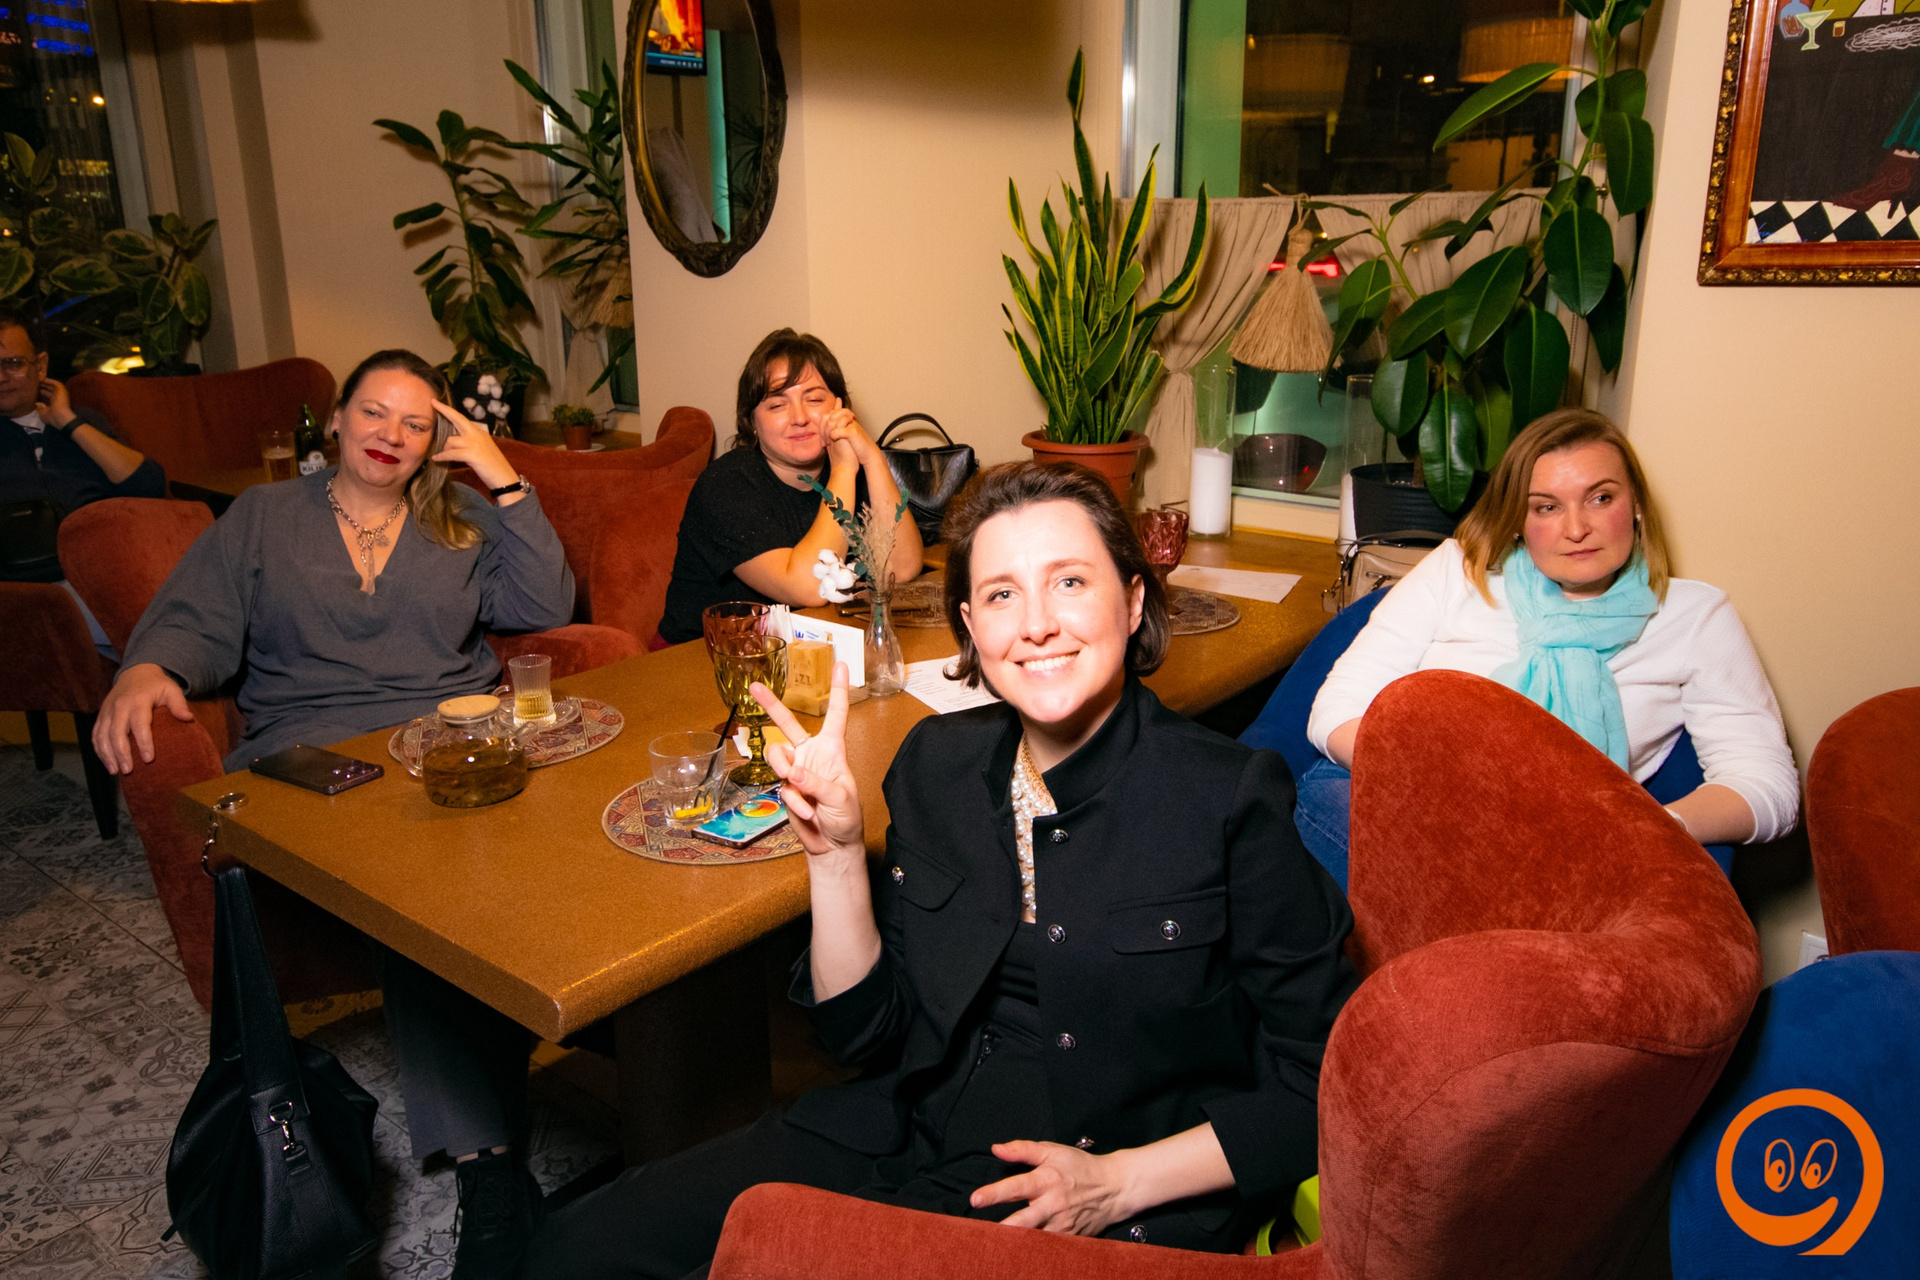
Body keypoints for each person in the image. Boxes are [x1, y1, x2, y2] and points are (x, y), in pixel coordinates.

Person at [524, 462, 1357, 1279]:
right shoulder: (936, 765)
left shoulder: (1226, 797)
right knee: (578, 1249)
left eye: (1070, 582)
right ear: (970, 627)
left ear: (1133, 602)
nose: (1036, 624)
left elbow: (1326, 1083)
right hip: (900, 1125)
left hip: (1090, 1183)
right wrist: (835, 856)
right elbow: (866, 1036)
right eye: (1001, 595)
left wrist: (1116, 1183)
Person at [92, 349, 572, 1280]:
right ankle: (491, 1175)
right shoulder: (264, 516)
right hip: (307, 756)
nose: (391, 435)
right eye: (374, 413)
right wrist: (150, 667)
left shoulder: (460, 515)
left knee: (492, 870)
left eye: (416, 423)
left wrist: (501, 474)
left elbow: (547, 600)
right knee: (415, 901)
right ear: (339, 419)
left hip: (443, 746)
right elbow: (195, 618)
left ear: (437, 441)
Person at [1299, 408, 1799, 890]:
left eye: (1600, 498)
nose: (1576, 529)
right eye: (1547, 507)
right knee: (1321, 802)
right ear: (1518, 518)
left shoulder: (1694, 617)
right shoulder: (1457, 570)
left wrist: (1649, 828)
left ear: (1636, 504)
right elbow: (1336, 709)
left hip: (1570, 849)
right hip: (1408, 809)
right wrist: (1445, 791)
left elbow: (1768, 787)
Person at [657, 328, 922, 643]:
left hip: (805, 647)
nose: (799, 417)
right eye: (777, 405)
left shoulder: (851, 471)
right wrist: (844, 469)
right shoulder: (725, 484)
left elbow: (902, 568)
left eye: (814, 399)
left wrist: (872, 458)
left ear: (840, 408)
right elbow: (809, 588)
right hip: (700, 657)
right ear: (752, 421)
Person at [0, 313, 166, 647]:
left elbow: (149, 486)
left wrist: (68, 422)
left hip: (112, 570)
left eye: (13, 363)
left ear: (41, 366)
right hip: (36, 588)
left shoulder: (83, 423)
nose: (1, 377)